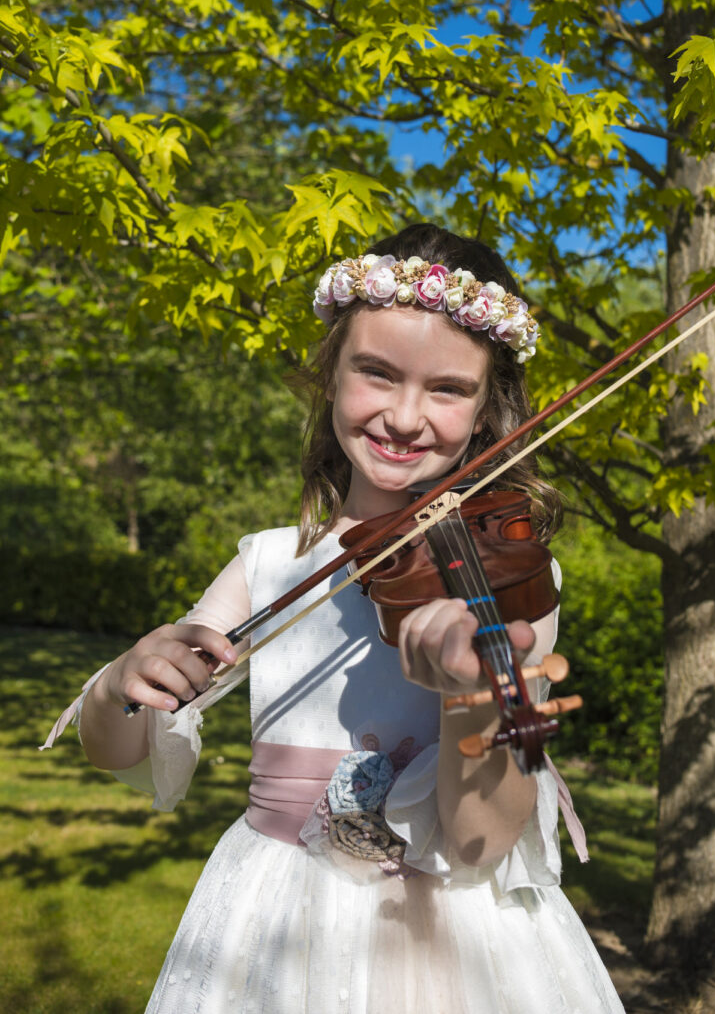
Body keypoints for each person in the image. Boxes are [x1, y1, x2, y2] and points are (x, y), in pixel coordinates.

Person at [44, 223, 625, 1013]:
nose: (406, 417)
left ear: (488, 408)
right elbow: (118, 749)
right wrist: (121, 683)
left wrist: (470, 697)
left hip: (461, 937)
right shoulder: (270, 563)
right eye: (377, 373)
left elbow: (481, 841)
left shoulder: (513, 578)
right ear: (331, 373)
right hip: (278, 922)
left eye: (448, 389)